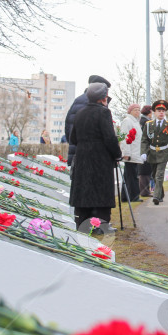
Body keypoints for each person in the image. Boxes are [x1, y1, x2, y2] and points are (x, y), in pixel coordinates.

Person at [68, 82, 122, 230]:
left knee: (84, 190)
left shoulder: (80, 113)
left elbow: (73, 138)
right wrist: (117, 154)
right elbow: (110, 138)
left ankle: (82, 223)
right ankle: (101, 224)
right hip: (100, 158)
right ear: (104, 98)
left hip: (83, 157)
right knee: (100, 191)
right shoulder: (104, 112)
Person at [65, 74, 111, 166]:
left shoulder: (78, 100)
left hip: (78, 151)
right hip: (90, 153)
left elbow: (68, 128)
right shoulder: (93, 103)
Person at [140, 100, 168, 206]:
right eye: (159, 110)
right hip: (152, 153)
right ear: (154, 112)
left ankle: (156, 196)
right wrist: (144, 152)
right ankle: (161, 194)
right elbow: (144, 139)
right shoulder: (148, 124)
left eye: (163, 111)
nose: (161, 113)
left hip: (163, 153)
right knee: (155, 175)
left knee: (159, 175)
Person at [119, 104, 143, 202]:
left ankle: (125, 197)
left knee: (129, 175)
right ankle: (133, 196)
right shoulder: (127, 121)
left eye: (139, 110)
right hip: (131, 153)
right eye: (135, 110)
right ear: (130, 111)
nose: (137, 112)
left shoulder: (136, 122)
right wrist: (126, 153)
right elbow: (124, 138)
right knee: (132, 176)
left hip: (135, 152)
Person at [137, 105, 153, 197]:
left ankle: (145, 190)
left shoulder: (140, 121)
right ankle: (145, 191)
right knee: (145, 171)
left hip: (141, 149)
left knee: (144, 170)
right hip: (145, 149)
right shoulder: (146, 122)